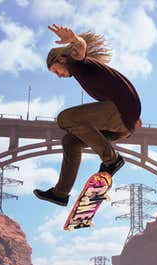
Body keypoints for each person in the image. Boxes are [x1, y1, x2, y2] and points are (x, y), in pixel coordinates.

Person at [34, 24, 142, 206]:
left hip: (121, 113)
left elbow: (80, 48)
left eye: (56, 71)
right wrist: (130, 119)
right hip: (122, 121)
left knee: (64, 119)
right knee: (70, 141)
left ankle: (112, 160)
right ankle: (60, 193)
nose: (59, 76)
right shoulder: (84, 72)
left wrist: (74, 40)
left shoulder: (75, 63)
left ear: (61, 59)